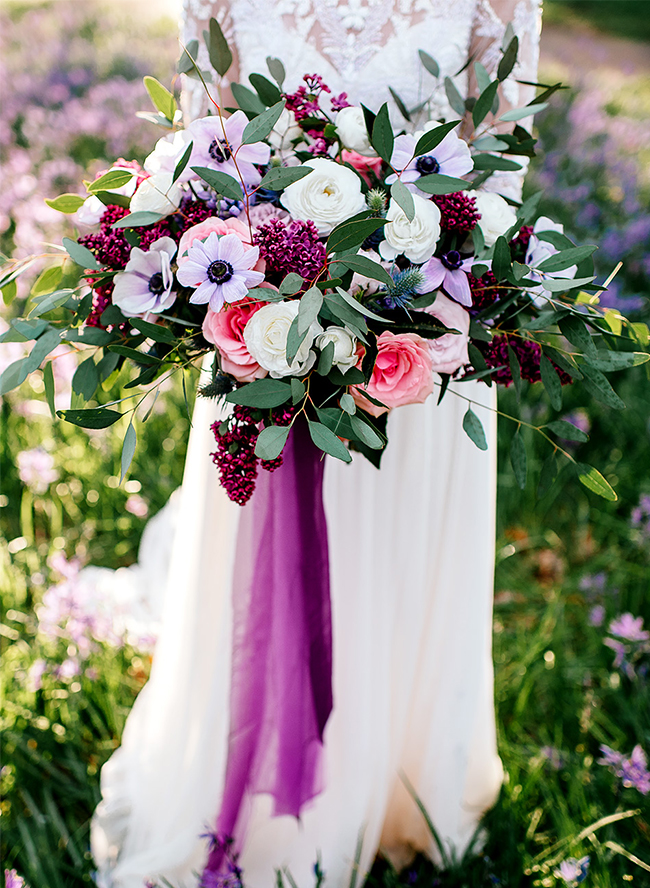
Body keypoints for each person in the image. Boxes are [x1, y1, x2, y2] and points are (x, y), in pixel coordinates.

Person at [92, 1, 542, 885]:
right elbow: (203, 149)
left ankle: (401, 781)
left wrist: (395, 297)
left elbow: (501, 162)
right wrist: (260, 290)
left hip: (423, 344)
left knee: (401, 557)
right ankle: (253, 799)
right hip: (257, 336)